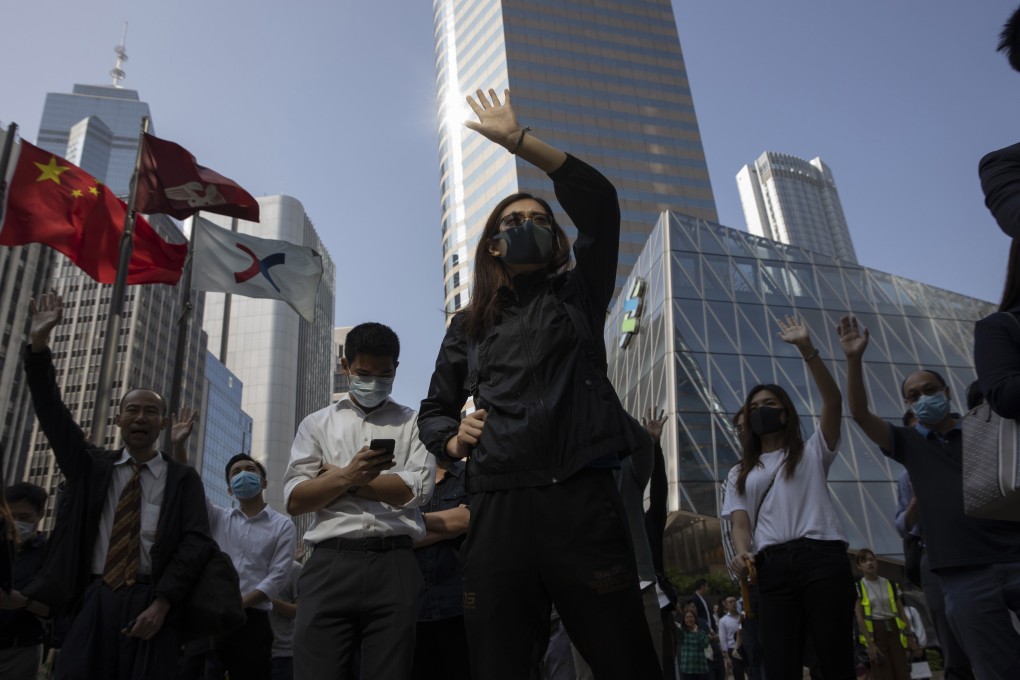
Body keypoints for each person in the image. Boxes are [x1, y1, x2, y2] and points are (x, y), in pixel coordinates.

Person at [416, 87, 660, 679]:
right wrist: (453, 440)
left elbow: (601, 205)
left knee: (624, 660)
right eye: (513, 221)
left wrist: (520, 142)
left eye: (539, 220)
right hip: (498, 507)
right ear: (493, 245)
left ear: (557, 240)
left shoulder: (579, 292)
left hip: (582, 498)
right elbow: (433, 411)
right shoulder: (467, 325)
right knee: (499, 664)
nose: (528, 226)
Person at [22, 292, 214, 680]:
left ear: (162, 423)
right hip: (93, 598)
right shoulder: (90, 467)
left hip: (152, 601)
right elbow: (51, 411)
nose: (140, 417)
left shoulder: (182, 479)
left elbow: (195, 545)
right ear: (118, 420)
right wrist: (40, 346)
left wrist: (163, 603)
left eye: (151, 411)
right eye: (132, 409)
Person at [838, 314, 1020, 680]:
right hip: (962, 572)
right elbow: (858, 413)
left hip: (1015, 554)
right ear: (907, 404)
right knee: (994, 668)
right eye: (914, 395)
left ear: (947, 392)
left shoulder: (986, 427)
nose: (924, 398)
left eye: (930, 390)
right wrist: (854, 359)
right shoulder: (907, 443)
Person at [284, 321, 435, 680]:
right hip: (328, 563)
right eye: (364, 373)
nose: (373, 383)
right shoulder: (316, 425)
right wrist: (357, 476)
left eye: (384, 374)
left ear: (396, 370)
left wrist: (342, 479)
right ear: (345, 366)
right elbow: (296, 499)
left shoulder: (414, 423)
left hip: (395, 562)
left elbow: (418, 490)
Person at [722, 316, 855, 680]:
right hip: (772, 567)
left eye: (769, 403)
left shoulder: (813, 451)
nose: (761, 410)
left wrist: (807, 349)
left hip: (823, 557)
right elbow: (740, 522)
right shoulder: (739, 472)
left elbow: (833, 399)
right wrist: (742, 552)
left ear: (785, 412)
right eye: (754, 407)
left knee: (834, 656)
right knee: (780, 662)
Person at [173, 411, 297, 680]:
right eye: (236, 472)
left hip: (252, 622)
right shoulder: (218, 517)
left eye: (250, 470)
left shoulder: (282, 525)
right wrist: (180, 446)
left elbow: (277, 577)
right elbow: (188, 490)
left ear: (263, 482)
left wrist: (238, 605)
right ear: (230, 489)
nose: (243, 475)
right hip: (208, 621)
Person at [411, 457, 471, 680]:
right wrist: (449, 528)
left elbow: (468, 520)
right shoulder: (406, 479)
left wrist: (415, 520)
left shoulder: (467, 474)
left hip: (458, 604)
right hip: (414, 609)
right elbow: (400, 536)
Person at [0, 482, 51, 679]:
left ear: (40, 516)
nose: (16, 522)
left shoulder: (49, 554)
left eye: (24, 517)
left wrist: (23, 602)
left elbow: (55, 609)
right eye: (10, 516)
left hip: (19, 650)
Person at [853, 549, 921, 680]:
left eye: (871, 559)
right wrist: (869, 643)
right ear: (859, 566)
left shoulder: (890, 584)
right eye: (864, 560)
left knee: (902, 670)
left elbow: (901, 612)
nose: (869, 563)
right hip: (876, 632)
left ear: (876, 562)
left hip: (894, 629)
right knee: (883, 671)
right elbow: (859, 616)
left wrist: (909, 635)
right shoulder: (859, 587)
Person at [268, 549, 302, 680]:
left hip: (283, 653)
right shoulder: (253, 568)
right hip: (254, 651)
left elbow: (300, 611)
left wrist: (267, 598)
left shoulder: (294, 569)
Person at [676, 610, 711, 680]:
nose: (689, 619)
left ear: (695, 618)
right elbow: (674, 629)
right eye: (687, 617)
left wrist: (696, 633)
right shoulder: (682, 633)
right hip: (687, 670)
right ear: (684, 620)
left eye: (691, 617)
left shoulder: (702, 632)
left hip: (701, 669)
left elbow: (705, 644)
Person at [717, 595, 744, 680]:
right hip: (733, 651)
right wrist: (727, 657)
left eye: (734, 601)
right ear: (726, 605)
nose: (733, 603)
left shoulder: (742, 616)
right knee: (739, 675)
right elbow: (723, 639)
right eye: (730, 602)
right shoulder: (723, 621)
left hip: (746, 647)